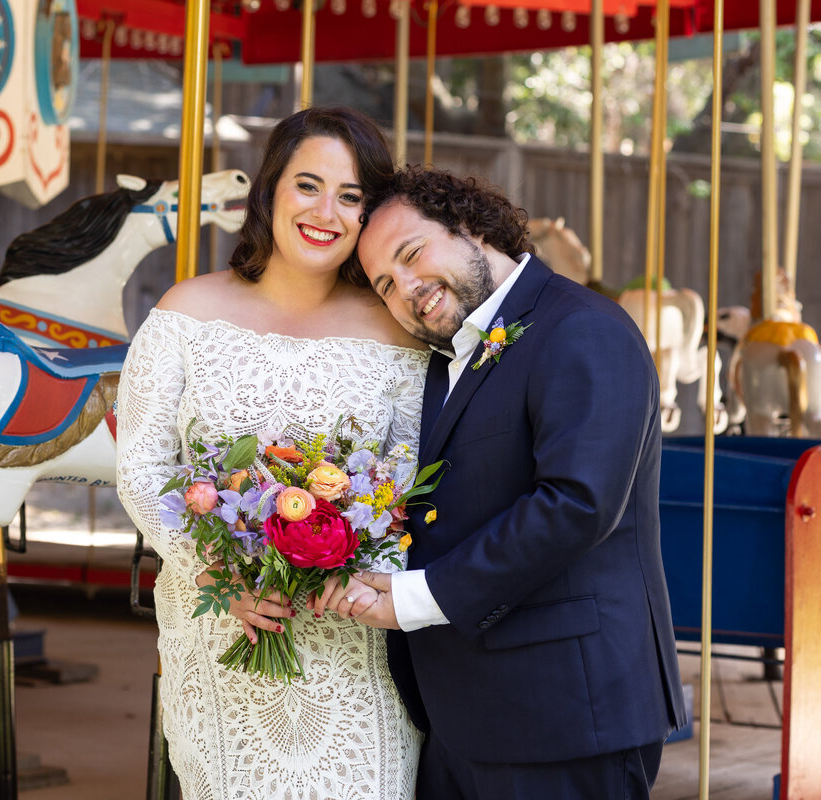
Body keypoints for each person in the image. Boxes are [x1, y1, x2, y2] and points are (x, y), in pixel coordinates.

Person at [316, 166, 688, 799]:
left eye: (412, 254)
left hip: (566, 716)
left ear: (468, 224)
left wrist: (412, 598)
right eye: (386, 283)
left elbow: (577, 504)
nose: (407, 288)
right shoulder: (444, 361)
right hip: (464, 721)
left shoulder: (583, 326)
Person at [115, 107, 427, 799]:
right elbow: (140, 468)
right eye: (308, 186)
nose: (327, 212)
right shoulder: (185, 313)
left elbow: (408, 483)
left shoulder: (401, 333)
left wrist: (361, 569)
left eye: (351, 197)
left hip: (350, 637)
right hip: (220, 627)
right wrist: (215, 572)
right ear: (270, 192)